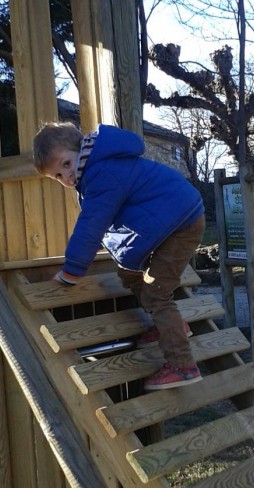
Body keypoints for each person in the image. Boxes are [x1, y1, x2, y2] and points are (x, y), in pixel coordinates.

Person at [33, 122, 206, 390]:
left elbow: (92, 224)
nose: (66, 177)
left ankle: (183, 365)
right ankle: (170, 327)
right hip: (168, 221)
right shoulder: (99, 167)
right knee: (130, 273)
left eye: (66, 164)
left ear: (81, 148)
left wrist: (73, 269)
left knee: (156, 292)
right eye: (57, 175)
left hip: (181, 224)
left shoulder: (101, 172)